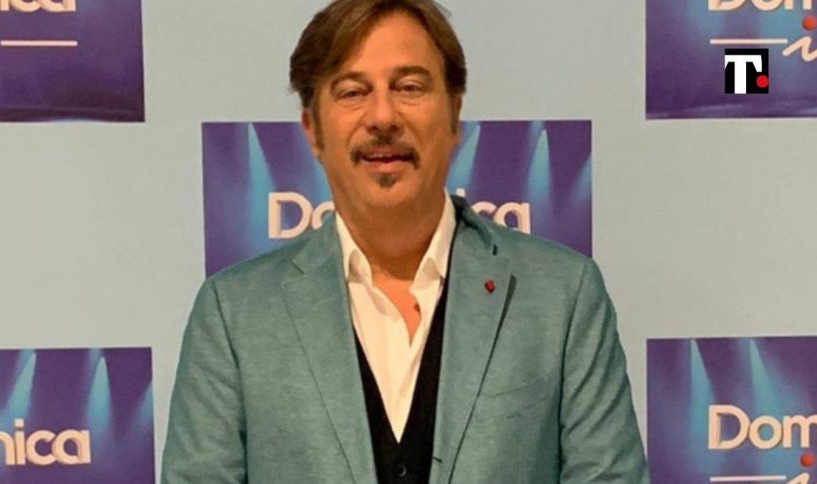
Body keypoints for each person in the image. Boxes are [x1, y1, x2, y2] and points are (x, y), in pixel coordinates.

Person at [161, 0, 649, 482]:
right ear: (312, 130)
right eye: (353, 92)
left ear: (454, 114)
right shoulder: (233, 315)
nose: (382, 117)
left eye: (409, 87)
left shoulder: (562, 296)